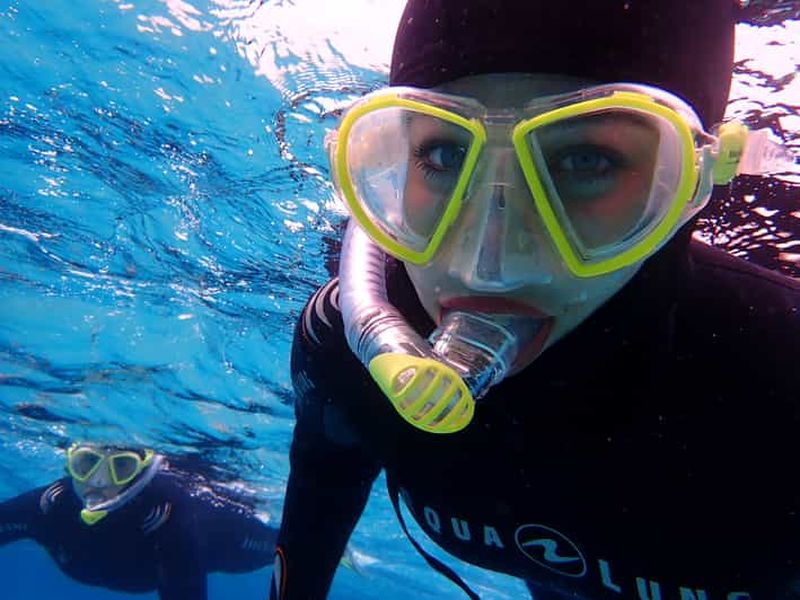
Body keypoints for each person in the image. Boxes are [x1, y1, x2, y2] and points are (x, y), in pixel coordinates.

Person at [272, 1, 800, 598]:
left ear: (692, 180)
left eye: (585, 160)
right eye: (443, 155)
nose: (489, 264)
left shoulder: (783, 378)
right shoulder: (346, 350)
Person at [0, 442, 277, 599]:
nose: (97, 480)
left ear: (143, 472)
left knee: (289, 549)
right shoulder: (50, 506)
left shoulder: (171, 516)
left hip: (222, 541)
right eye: (86, 463)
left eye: (121, 466)